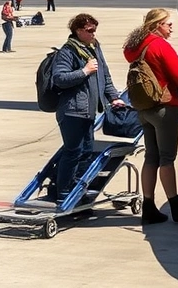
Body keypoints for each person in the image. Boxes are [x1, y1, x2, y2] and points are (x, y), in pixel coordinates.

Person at [122, 8, 178, 226]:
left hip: (144, 108)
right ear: (157, 25)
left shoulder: (135, 47)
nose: (171, 28)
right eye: (168, 24)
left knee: (151, 157)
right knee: (167, 159)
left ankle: (148, 207)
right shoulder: (160, 45)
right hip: (164, 107)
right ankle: (176, 204)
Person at [51, 13, 124, 201]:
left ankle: (77, 190)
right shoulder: (68, 51)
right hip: (72, 111)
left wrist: (113, 97)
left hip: (88, 112)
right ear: (78, 30)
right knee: (73, 151)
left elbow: (105, 75)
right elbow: (59, 79)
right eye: (89, 30)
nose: (93, 34)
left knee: (86, 152)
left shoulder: (94, 47)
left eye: (95, 30)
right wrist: (84, 71)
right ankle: (63, 192)